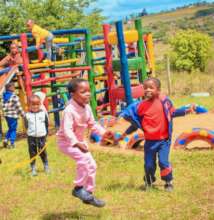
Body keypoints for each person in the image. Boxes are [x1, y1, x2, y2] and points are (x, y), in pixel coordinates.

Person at [117, 77, 195, 191]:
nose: (148, 90)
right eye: (145, 88)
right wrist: (125, 134)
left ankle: (168, 182)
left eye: (151, 88)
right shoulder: (141, 106)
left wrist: (186, 111)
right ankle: (149, 181)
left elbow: (172, 112)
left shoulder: (164, 101)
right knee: (149, 165)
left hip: (163, 140)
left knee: (163, 162)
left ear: (158, 90)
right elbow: (135, 123)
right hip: (150, 142)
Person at [56, 78, 115, 207]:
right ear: (73, 95)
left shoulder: (87, 107)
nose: (88, 94)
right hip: (66, 142)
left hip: (80, 141)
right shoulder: (69, 110)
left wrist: (104, 133)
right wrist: (76, 143)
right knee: (83, 159)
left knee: (92, 165)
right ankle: (78, 189)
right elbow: (66, 130)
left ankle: (88, 193)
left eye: (89, 91)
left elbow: (92, 124)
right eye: (83, 92)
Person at [24, 94, 49, 176]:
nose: (35, 106)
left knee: (43, 152)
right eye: (33, 104)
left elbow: (46, 124)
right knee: (32, 153)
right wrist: (30, 133)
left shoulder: (43, 113)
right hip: (31, 137)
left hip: (42, 136)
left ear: (40, 104)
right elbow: (26, 125)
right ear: (29, 105)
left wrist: (45, 134)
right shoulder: (27, 115)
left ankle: (46, 165)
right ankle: (33, 168)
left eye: (37, 104)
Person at [2, 82, 25, 148]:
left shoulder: (3, 96)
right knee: (13, 129)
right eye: (13, 87)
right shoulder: (14, 96)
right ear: (10, 88)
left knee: (10, 128)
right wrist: (23, 115)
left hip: (7, 115)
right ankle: (12, 143)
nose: (14, 88)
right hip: (13, 116)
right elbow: (19, 107)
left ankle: (6, 140)